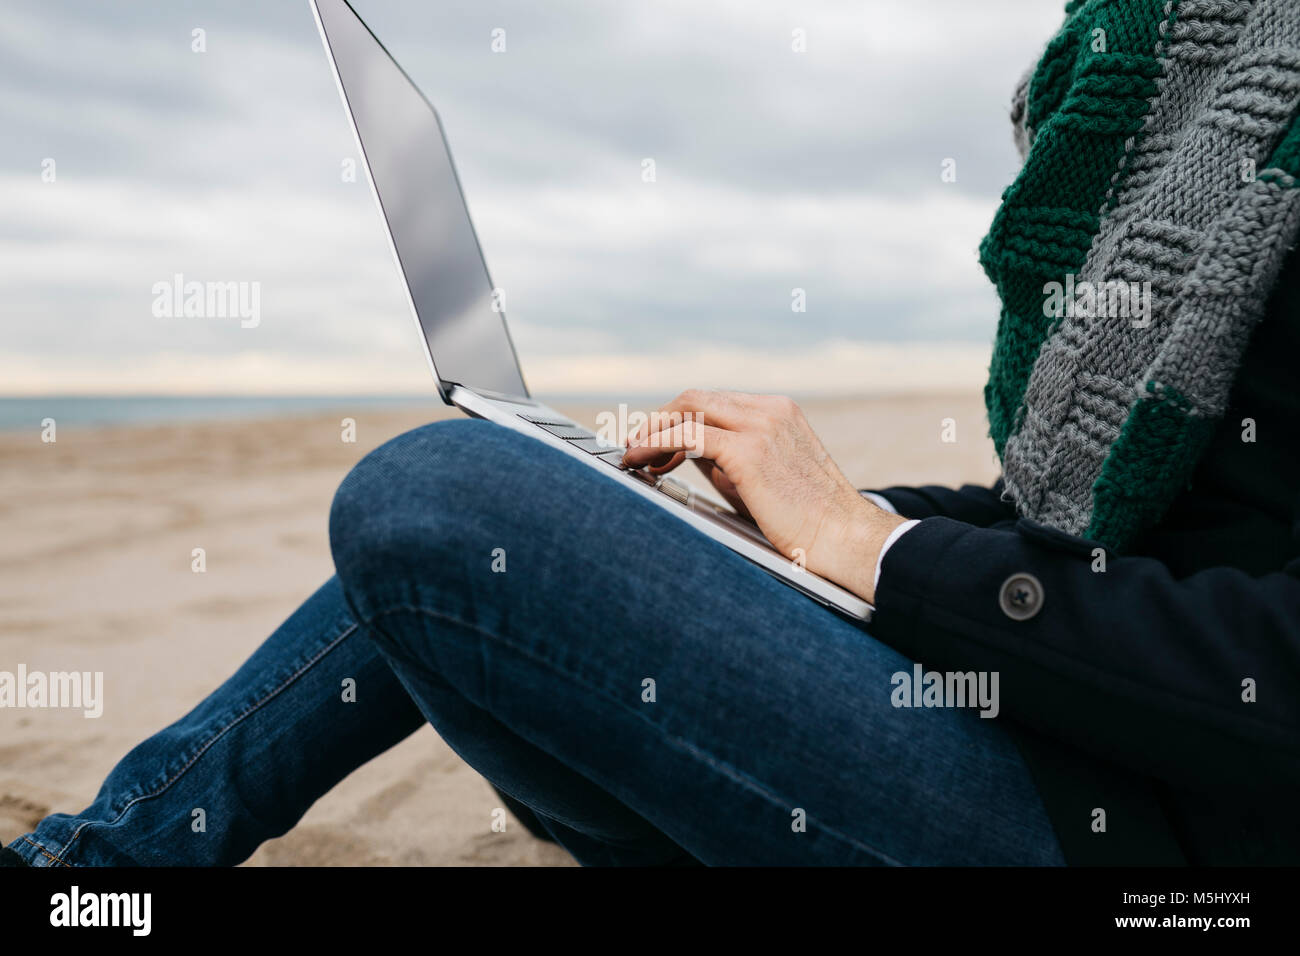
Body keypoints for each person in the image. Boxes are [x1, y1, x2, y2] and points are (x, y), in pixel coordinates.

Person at [6, 0, 1300, 867]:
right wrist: (782, 517)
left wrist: (872, 548)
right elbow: (1126, 538)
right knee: (544, 487)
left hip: (1154, 836)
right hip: (1069, 734)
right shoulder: (1173, 96)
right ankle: (91, 870)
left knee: (434, 501)